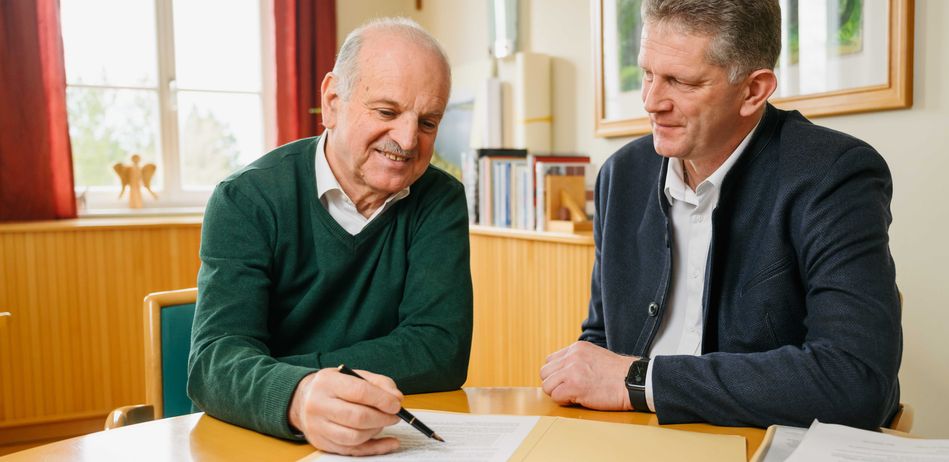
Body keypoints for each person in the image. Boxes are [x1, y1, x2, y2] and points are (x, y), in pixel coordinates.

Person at [540, 0, 902, 430]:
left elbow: (854, 379)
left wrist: (641, 381)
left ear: (753, 91)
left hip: (755, 442)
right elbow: (602, 341)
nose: (651, 102)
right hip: (634, 438)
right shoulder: (620, 175)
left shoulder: (834, 174)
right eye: (648, 74)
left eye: (681, 81)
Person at [188, 18, 472, 456]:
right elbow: (213, 365)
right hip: (260, 439)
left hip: (385, 434)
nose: (407, 140)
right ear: (332, 101)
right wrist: (299, 395)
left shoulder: (441, 199)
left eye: (428, 122)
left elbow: (440, 352)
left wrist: (281, 376)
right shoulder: (245, 198)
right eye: (386, 112)